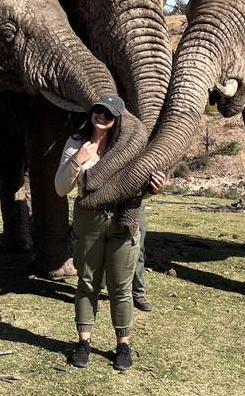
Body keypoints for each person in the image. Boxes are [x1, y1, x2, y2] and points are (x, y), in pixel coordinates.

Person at [54, 92, 165, 371]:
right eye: (98, 110)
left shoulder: (130, 147)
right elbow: (60, 187)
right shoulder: (77, 142)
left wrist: (153, 189)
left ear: (118, 119)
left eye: (108, 113)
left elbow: (137, 190)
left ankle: (123, 344)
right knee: (87, 282)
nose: (101, 116)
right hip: (88, 220)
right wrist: (79, 159)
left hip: (123, 221)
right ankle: (83, 342)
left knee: (121, 287)